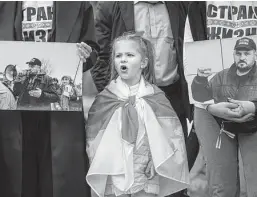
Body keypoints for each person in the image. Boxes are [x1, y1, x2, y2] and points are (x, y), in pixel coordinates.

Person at [0, 2, 98, 197]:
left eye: (34, 66)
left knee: (58, 181)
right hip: (15, 118)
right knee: (17, 178)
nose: (32, 68)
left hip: (60, 120)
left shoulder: (78, 5)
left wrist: (86, 54)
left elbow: (93, 51)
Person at [91, 3, 198, 182]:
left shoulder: (181, 5)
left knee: (174, 171)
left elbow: (191, 46)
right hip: (128, 100)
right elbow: (99, 56)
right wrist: (115, 96)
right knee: (135, 172)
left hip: (172, 98)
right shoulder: (110, 6)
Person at [86, 33, 189, 197]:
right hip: (114, 170)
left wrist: (157, 161)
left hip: (146, 169)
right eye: (118, 56)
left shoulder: (155, 97)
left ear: (143, 62)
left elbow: (170, 135)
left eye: (130, 55)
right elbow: (93, 135)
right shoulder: (106, 98)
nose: (123, 60)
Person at [186, 2, 257, 196]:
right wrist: (209, 106)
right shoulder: (198, 5)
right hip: (211, 109)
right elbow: (190, 56)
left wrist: (253, 106)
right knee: (221, 188)